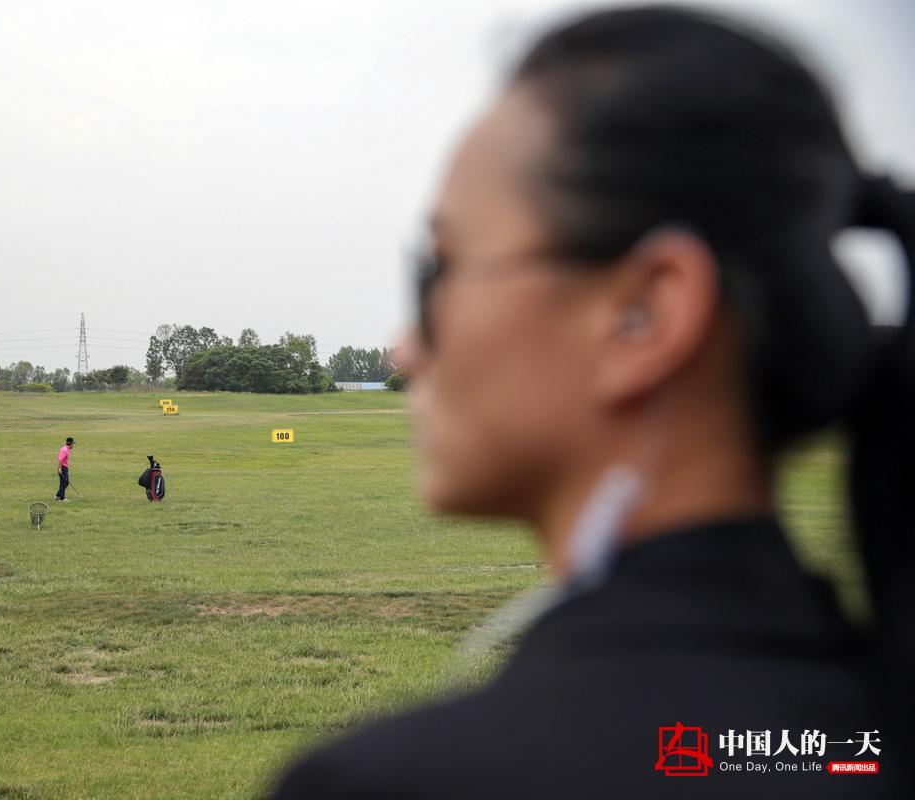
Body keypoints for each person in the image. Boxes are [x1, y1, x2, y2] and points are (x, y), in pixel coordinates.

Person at [273, 6, 913, 799]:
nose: (408, 350)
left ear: (644, 316)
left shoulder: (401, 781)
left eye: (441, 269)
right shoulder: (860, 735)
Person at [56, 436, 74, 502]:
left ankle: (58, 496)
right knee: (65, 483)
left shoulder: (66, 449)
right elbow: (60, 459)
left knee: (63, 483)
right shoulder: (65, 450)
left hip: (64, 467)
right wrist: (60, 468)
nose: (73, 445)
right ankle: (61, 497)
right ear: (70, 444)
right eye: (73, 444)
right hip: (62, 467)